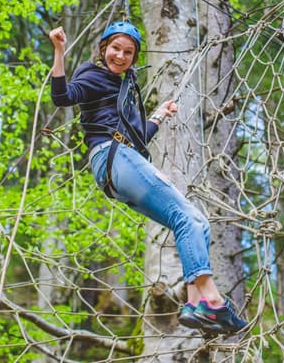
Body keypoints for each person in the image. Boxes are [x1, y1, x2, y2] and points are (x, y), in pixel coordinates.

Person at [49, 21, 248, 335]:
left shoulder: (124, 89)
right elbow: (62, 96)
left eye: (128, 52)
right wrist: (60, 51)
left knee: (197, 221)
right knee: (187, 219)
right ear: (104, 48)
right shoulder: (93, 76)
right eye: (115, 48)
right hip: (112, 157)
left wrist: (159, 115)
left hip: (122, 160)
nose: (121, 56)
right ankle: (213, 299)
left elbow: (137, 136)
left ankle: (195, 305)